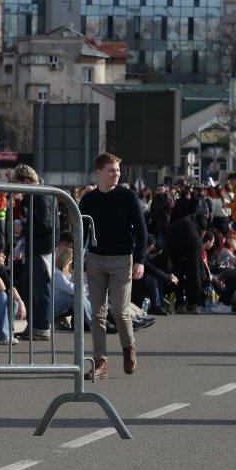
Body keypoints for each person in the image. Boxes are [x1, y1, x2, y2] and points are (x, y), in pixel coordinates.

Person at [78, 153, 147, 379]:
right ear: (99, 172)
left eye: (117, 170)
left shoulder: (128, 196)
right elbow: (81, 233)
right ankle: (100, 362)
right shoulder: (88, 200)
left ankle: (129, 347)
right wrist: (77, 259)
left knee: (119, 310)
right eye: (111, 170)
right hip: (96, 260)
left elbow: (141, 230)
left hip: (121, 260)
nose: (116, 174)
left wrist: (140, 261)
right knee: (97, 314)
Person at [12, 164, 56, 341]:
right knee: (32, 289)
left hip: (40, 248)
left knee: (39, 289)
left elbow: (45, 224)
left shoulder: (40, 196)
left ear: (26, 181)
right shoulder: (38, 195)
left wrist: (23, 228)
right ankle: (35, 326)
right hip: (37, 246)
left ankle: (41, 327)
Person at [52, 247, 93, 330]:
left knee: (79, 296)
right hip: (52, 305)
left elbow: (76, 286)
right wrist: (87, 288)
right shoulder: (57, 273)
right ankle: (93, 323)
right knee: (73, 297)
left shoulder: (66, 274)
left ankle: (94, 321)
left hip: (58, 304)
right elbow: (73, 289)